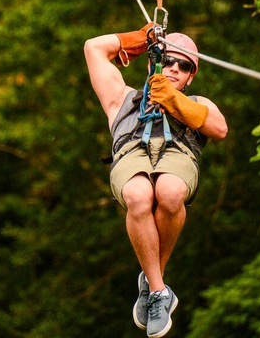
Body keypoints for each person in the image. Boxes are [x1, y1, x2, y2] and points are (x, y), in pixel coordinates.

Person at [84, 24, 227, 338]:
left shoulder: (199, 102)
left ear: (191, 76)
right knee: (138, 195)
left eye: (184, 65)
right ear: (154, 63)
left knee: (169, 191)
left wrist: (174, 100)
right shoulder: (121, 99)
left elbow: (220, 128)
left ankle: (151, 284)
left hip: (177, 156)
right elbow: (93, 48)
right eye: (168, 60)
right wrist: (139, 38)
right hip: (132, 152)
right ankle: (159, 289)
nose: (175, 68)